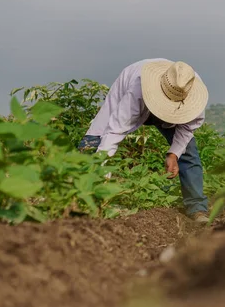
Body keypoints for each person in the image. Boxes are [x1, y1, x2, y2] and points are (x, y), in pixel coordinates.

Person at [78, 59, 210, 223]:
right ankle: (81, 197)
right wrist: (102, 175)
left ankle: (197, 208)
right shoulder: (136, 89)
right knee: (93, 142)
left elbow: (188, 129)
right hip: (135, 95)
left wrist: (174, 154)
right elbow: (114, 132)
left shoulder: (190, 91)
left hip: (176, 111)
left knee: (188, 152)